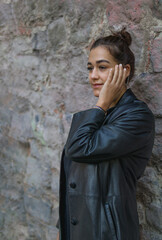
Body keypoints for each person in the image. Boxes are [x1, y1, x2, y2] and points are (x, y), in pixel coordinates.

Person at [56, 28, 155, 240]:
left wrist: (100, 104)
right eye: (90, 68)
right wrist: (62, 230)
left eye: (102, 67)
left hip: (108, 233)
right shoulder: (98, 116)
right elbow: (75, 176)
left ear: (124, 70)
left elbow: (79, 148)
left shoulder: (137, 117)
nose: (93, 76)